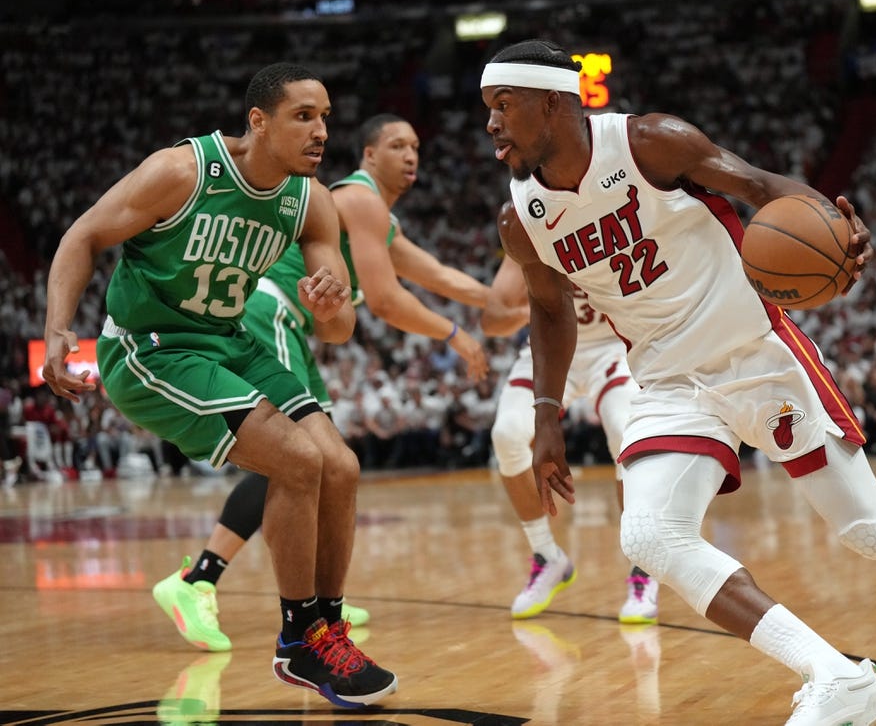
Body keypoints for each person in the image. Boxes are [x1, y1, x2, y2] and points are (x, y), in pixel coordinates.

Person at [479, 40, 876, 725]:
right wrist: (546, 413)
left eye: (502, 105)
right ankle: (839, 677)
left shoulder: (649, 143)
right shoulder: (522, 216)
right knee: (649, 534)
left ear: (553, 102)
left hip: (756, 351)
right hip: (669, 382)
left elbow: (762, 187)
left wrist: (838, 226)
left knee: (869, 529)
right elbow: (549, 311)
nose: (490, 123)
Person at [43, 62, 397, 708]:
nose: (321, 132)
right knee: (295, 460)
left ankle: (329, 630)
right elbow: (83, 234)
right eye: (304, 116)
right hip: (151, 347)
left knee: (339, 465)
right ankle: (298, 641)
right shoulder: (182, 171)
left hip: (230, 340)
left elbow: (340, 327)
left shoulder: (311, 200)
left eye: (325, 118)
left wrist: (332, 301)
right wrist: (60, 328)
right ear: (258, 121)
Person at [152, 112, 502, 652]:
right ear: (368, 156)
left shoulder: (379, 218)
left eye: (416, 146)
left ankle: (310, 599)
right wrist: (456, 333)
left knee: (319, 465)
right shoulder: (357, 199)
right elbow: (385, 300)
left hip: (286, 324)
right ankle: (196, 580)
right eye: (397, 145)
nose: (411, 156)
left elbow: (435, 275)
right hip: (270, 314)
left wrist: (506, 303)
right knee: (302, 458)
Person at [482, 255, 658, 624]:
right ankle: (547, 555)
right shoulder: (527, 226)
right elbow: (493, 319)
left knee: (625, 430)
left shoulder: (608, 219)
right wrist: (543, 307)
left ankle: (643, 566)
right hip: (548, 346)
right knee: (507, 434)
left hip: (611, 347)